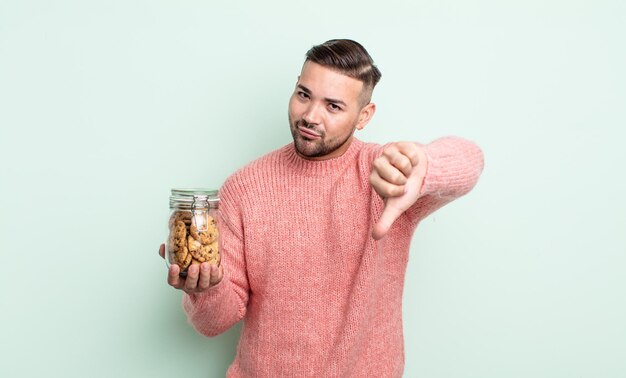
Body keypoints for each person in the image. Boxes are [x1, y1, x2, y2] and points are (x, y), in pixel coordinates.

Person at [159, 39, 484, 377]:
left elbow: (470, 158)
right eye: (303, 95)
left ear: (364, 116)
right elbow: (215, 323)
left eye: (333, 106)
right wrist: (203, 288)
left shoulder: (387, 173)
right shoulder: (245, 187)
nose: (310, 116)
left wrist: (427, 166)